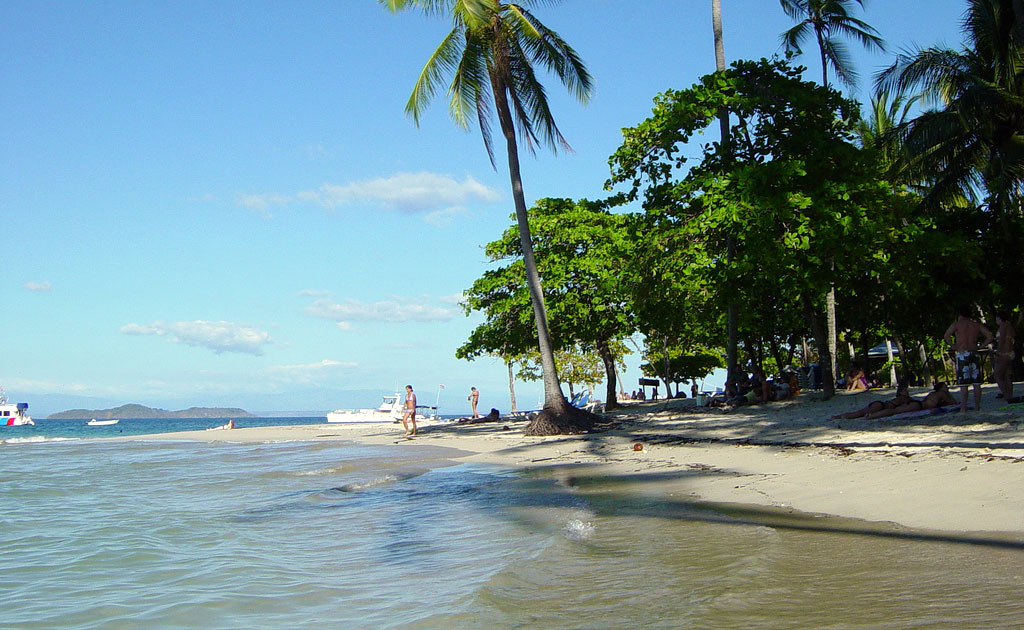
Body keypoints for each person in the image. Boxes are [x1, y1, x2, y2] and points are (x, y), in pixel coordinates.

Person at [944, 307, 995, 412]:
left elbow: (946, 335)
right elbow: (990, 336)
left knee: (964, 384)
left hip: (962, 353)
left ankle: (963, 408)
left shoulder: (957, 324)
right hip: (974, 352)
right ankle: (977, 407)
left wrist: (954, 346)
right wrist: (981, 346)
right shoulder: (975, 324)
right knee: (976, 383)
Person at [834, 383, 912, 419]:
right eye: (905, 390)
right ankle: (839, 416)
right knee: (859, 413)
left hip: (881, 404)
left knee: (860, 412)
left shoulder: (901, 398)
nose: (907, 392)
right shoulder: (903, 398)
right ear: (901, 392)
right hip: (881, 406)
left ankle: (838, 416)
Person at [994, 311, 1016, 401]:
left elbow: (1002, 339)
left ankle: (1006, 395)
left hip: (1004, 353)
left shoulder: (1003, 326)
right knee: (1007, 375)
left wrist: (998, 352)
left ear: (999, 318)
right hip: (1010, 352)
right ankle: (1010, 395)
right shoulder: (1010, 327)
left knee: (998, 375)